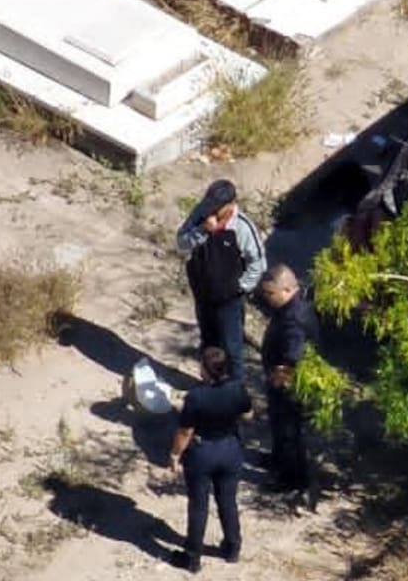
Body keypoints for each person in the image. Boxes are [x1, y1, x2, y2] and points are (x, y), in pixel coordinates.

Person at [168, 346, 253, 574]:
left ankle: (192, 558)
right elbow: (248, 413)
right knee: (228, 500)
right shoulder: (237, 388)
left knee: (198, 505)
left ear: (205, 369)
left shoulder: (196, 396)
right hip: (230, 449)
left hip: (202, 452)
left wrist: (175, 455)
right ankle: (232, 548)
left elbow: (185, 432)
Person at [177, 179, 266, 381]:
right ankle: (209, 385)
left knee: (232, 347)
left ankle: (236, 392)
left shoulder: (243, 227)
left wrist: (239, 288)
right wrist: (202, 231)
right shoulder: (200, 215)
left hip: (229, 300)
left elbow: (258, 263)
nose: (212, 211)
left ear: (231, 204)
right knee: (208, 342)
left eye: (217, 207)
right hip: (203, 294)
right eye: (210, 205)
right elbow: (181, 242)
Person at [258, 264, 321, 505]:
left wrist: (279, 376)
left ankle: (291, 479)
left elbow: (293, 357)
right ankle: (278, 461)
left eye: (270, 293)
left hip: (290, 387)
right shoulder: (294, 306)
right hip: (283, 383)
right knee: (279, 428)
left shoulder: (294, 319)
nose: (266, 298)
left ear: (286, 289)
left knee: (289, 433)